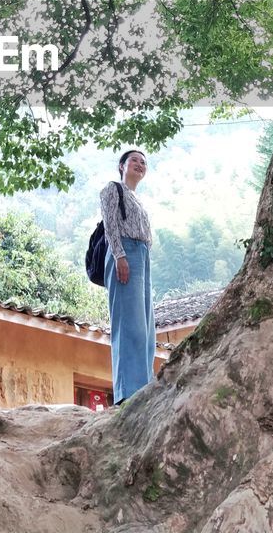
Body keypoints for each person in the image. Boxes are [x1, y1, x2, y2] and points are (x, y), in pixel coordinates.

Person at [101, 148, 154, 404]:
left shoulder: (138, 201)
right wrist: (119, 255)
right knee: (128, 325)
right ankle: (127, 394)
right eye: (134, 160)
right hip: (124, 252)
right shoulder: (113, 190)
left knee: (145, 327)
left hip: (142, 256)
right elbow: (110, 223)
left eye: (143, 162)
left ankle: (144, 390)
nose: (139, 164)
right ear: (121, 166)